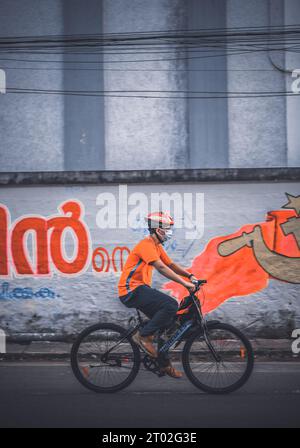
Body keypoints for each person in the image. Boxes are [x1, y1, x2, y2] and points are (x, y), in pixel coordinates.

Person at [118, 211, 197, 379]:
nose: (170, 232)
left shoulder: (156, 247)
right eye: (167, 228)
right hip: (131, 290)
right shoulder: (145, 245)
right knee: (171, 305)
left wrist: (189, 276)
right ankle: (143, 336)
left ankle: (163, 365)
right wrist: (184, 284)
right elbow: (161, 267)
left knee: (167, 323)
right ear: (158, 229)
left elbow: (171, 264)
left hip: (139, 289)